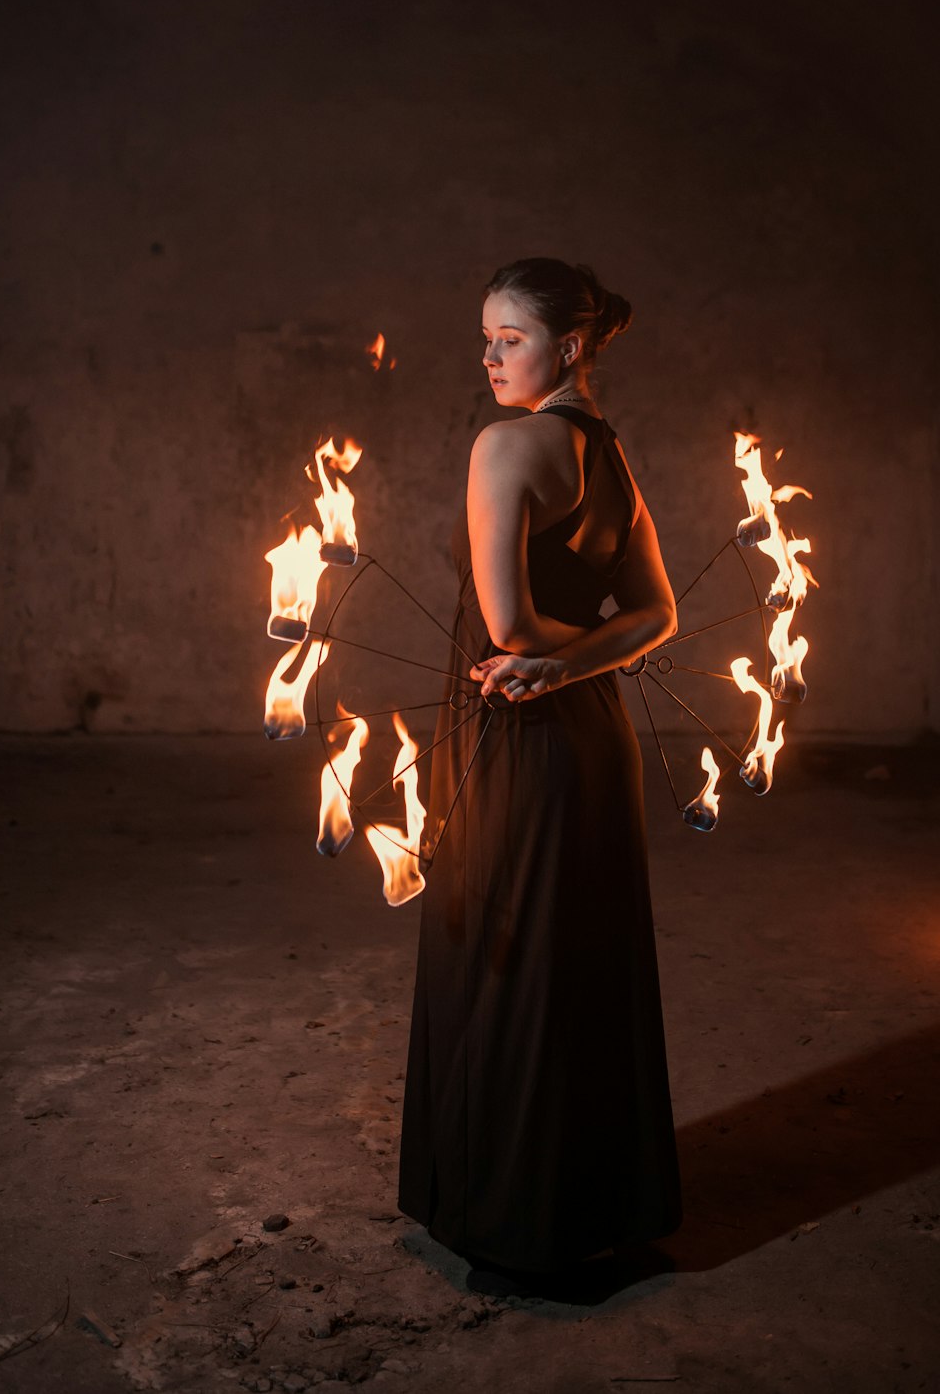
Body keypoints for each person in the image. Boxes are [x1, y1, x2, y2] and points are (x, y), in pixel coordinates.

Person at [397, 257, 683, 1299]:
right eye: (484, 338)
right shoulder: (607, 457)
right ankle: (589, 1219)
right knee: (583, 967)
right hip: (591, 736)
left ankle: (508, 1231)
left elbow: (508, 626)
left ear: (567, 346)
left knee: (506, 969)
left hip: (510, 730)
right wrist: (577, 666)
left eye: (507, 339)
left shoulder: (506, 446)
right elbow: (657, 618)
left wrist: (545, 662)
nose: (488, 358)